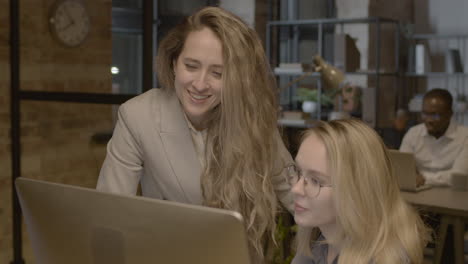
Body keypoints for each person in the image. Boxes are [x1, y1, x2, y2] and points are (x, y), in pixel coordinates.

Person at [96, 6, 293, 262]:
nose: (200, 84)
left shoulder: (252, 119)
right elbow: (108, 213)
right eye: (191, 66)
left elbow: (297, 193)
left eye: (218, 73)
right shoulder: (137, 115)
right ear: (174, 62)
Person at [289, 119, 429, 264]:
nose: (296, 189)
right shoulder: (320, 238)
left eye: (315, 181)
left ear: (356, 190)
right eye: (298, 171)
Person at [400, 88, 468, 186]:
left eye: (435, 115)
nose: (429, 120)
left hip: (451, 193)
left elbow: (459, 176)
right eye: (425, 114)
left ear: (449, 114)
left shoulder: (465, 137)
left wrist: (423, 178)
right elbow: (403, 168)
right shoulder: (413, 133)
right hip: (418, 190)